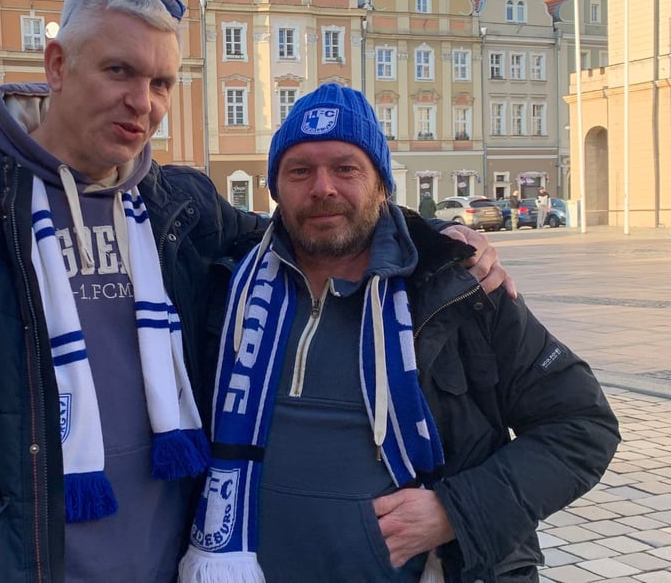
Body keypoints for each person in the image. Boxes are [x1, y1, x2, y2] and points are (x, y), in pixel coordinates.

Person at [0, 0, 511, 583]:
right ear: (56, 65)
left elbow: (312, 226)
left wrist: (438, 239)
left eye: (161, 82)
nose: (141, 100)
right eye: (118, 71)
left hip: (176, 563)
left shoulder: (181, 206)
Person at [179, 84, 619, 583]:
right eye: (300, 170)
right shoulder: (227, 286)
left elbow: (582, 426)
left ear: (382, 184)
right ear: (275, 189)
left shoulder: (458, 287)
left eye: (346, 168)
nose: (322, 187)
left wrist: (457, 512)